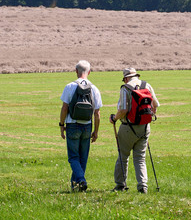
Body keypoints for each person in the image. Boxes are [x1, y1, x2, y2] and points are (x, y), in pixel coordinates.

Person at [109, 67, 159, 193]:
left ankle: (120, 185)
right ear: (136, 75)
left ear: (126, 78)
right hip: (145, 127)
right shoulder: (146, 85)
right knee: (140, 158)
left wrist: (114, 119)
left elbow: (123, 110)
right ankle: (143, 186)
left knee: (123, 156)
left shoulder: (125, 88)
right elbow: (155, 105)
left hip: (128, 128)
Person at [60, 60, 102, 192]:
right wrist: (95, 131)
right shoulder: (94, 88)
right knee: (82, 158)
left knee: (73, 157)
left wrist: (61, 125)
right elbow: (97, 113)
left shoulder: (69, 86)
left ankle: (81, 180)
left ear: (76, 71)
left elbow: (64, 108)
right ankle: (76, 186)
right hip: (87, 126)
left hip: (72, 125)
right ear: (89, 72)